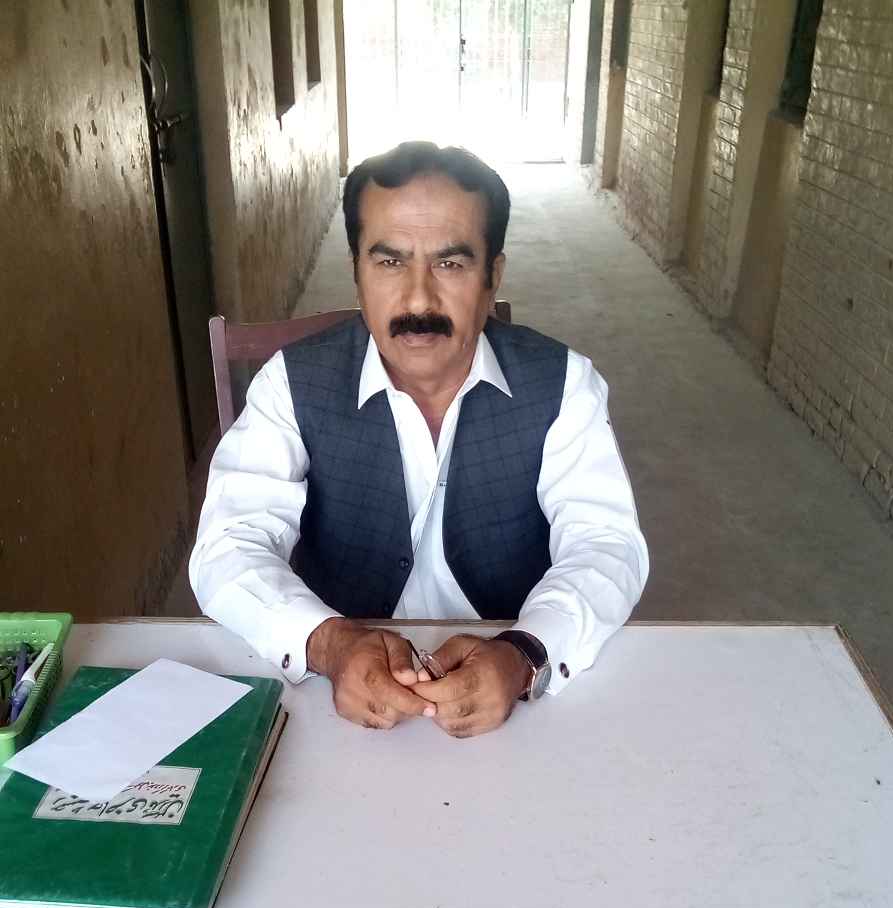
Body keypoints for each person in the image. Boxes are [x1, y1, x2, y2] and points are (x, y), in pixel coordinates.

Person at [189, 141, 649, 738]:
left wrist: (525, 653)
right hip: (339, 699)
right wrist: (329, 644)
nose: (418, 299)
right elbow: (228, 545)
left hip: (515, 704)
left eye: (450, 264)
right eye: (389, 262)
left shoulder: (563, 384)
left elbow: (606, 543)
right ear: (357, 272)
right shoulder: (291, 383)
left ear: (492, 278)